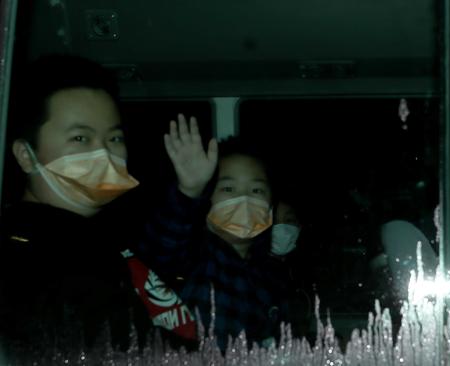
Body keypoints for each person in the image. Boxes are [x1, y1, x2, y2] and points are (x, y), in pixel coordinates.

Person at [0, 54, 149, 353]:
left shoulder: (95, 237)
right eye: (81, 138)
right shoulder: (26, 260)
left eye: (115, 138)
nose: (104, 155)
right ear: (26, 155)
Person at [137, 115, 290, 350]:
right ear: (206, 198)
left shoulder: (271, 276)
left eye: (256, 189)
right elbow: (161, 246)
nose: (244, 198)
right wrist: (189, 189)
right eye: (228, 188)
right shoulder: (194, 256)